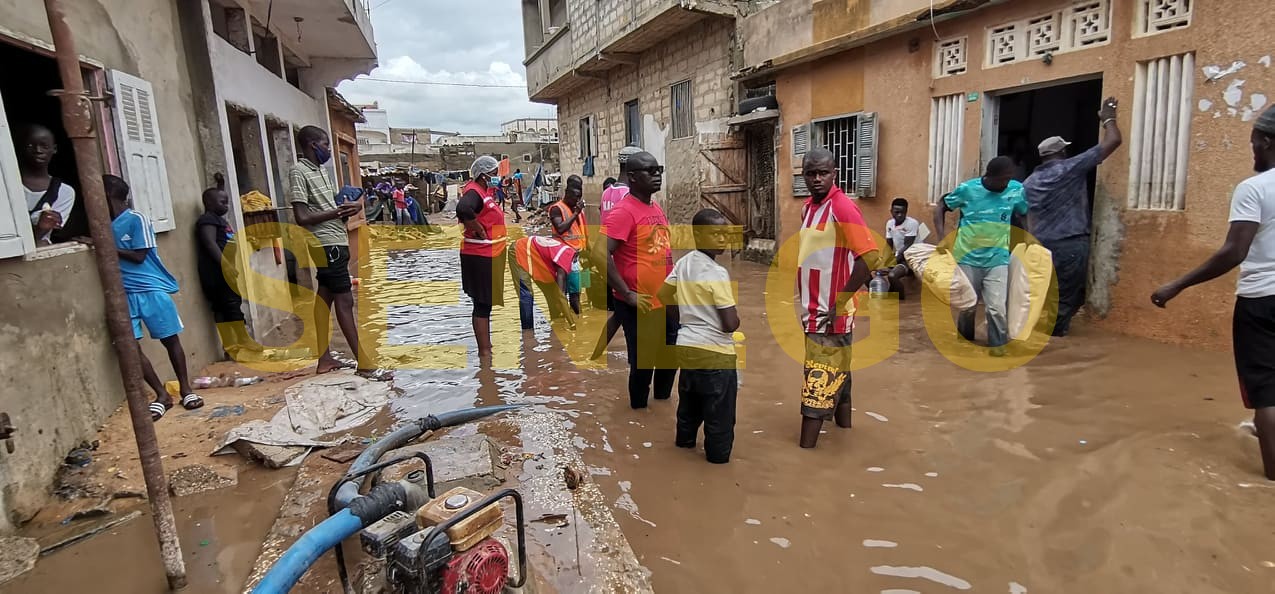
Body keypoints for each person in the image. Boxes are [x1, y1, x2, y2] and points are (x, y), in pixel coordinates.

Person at [1152, 105, 1275, 480]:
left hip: (1263, 300)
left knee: (1266, 390)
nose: (1252, 150)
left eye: (1254, 142)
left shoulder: (1254, 188)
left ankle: (1271, 479)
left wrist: (1177, 284)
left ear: (1267, 141)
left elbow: (1234, 251)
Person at [795, 148, 879, 448]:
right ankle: (845, 438)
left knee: (817, 383)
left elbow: (869, 257)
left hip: (830, 313)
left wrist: (840, 303)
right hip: (812, 308)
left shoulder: (842, 207)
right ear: (803, 175)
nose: (816, 179)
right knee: (840, 376)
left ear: (834, 174)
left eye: (823, 173)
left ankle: (805, 455)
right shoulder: (808, 208)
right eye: (810, 173)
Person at [289, 126, 387, 380]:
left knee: (324, 300)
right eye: (325, 144)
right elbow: (301, 216)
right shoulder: (299, 172)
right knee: (345, 301)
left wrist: (348, 208)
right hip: (325, 244)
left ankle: (325, 359)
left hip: (335, 240)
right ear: (312, 144)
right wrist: (336, 213)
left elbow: (326, 206)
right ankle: (364, 363)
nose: (328, 150)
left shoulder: (321, 171)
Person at [105, 174, 203, 421]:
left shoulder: (136, 219)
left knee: (170, 340)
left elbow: (139, 256)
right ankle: (161, 395)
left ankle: (186, 389)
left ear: (107, 196)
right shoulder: (103, 224)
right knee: (131, 347)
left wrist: (104, 245)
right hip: (124, 294)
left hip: (151, 289)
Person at [1025, 97, 1124, 337]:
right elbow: (1114, 141)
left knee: (1042, 295)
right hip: (1070, 244)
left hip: (1039, 246)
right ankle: (1055, 343)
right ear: (1062, 151)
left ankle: (1036, 338)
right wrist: (1108, 117)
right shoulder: (1070, 168)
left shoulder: (1028, 182)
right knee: (1065, 297)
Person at [657, 208, 740, 463]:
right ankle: (717, 464)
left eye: (725, 234)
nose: (723, 239)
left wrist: (682, 321)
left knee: (689, 407)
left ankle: (684, 450)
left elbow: (664, 295)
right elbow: (729, 324)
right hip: (716, 353)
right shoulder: (717, 273)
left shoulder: (684, 263)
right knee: (720, 416)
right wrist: (736, 319)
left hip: (687, 347)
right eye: (715, 234)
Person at [934, 156, 1029, 356]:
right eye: (1002, 179)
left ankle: (998, 347)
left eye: (1009, 178)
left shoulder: (1016, 189)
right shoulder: (968, 190)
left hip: (998, 258)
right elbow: (942, 205)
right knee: (967, 305)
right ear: (990, 176)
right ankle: (965, 340)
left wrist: (1030, 239)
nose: (1006, 183)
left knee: (997, 308)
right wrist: (942, 237)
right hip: (967, 257)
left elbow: (1023, 213)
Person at [606, 151, 676, 409]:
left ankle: (662, 409)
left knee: (670, 357)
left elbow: (662, 251)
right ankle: (639, 414)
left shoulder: (655, 207)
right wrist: (627, 294)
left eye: (659, 169)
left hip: (665, 299)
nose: (657, 175)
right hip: (638, 302)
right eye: (650, 171)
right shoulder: (623, 211)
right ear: (633, 177)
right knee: (643, 363)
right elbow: (600, 254)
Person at [195, 174, 257, 357]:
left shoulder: (217, 218)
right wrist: (226, 265)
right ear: (209, 203)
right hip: (218, 272)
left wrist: (221, 184)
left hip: (222, 270)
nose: (226, 206)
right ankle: (243, 342)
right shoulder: (208, 220)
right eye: (222, 202)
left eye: (227, 202)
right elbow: (210, 243)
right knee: (230, 306)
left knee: (226, 308)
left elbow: (218, 196)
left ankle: (231, 347)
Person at [457, 156, 508, 360]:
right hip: (479, 256)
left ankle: (486, 350)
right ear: (483, 175)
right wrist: (478, 229)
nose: (497, 177)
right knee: (482, 304)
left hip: (488, 254)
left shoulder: (485, 192)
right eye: (494, 174)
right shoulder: (473, 191)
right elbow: (463, 209)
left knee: (485, 303)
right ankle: (485, 354)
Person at [17, 123, 75, 246]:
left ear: (54, 149)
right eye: (30, 145)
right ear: (21, 148)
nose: (38, 150)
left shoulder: (64, 192)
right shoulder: (6, 185)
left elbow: (42, 235)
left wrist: (42, 228)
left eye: (44, 146)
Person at [510, 235, 577, 327]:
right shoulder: (563, 264)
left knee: (552, 293)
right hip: (519, 250)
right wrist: (572, 324)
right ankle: (528, 333)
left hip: (536, 254)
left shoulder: (569, 251)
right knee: (526, 294)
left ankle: (557, 325)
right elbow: (561, 297)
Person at [550, 175, 586, 314]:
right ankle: (561, 324)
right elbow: (560, 228)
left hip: (576, 259)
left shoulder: (577, 211)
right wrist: (576, 212)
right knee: (561, 294)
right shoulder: (556, 209)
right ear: (567, 193)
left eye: (580, 197)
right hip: (561, 259)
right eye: (575, 196)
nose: (577, 200)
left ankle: (578, 324)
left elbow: (582, 232)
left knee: (576, 294)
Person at [884, 197, 919, 297]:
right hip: (899, 257)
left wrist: (893, 262)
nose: (900, 215)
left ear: (906, 211)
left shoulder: (912, 223)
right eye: (896, 212)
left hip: (911, 258)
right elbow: (889, 245)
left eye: (903, 212)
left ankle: (901, 299)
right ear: (891, 211)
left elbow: (908, 246)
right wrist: (884, 262)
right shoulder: (890, 224)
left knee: (892, 275)